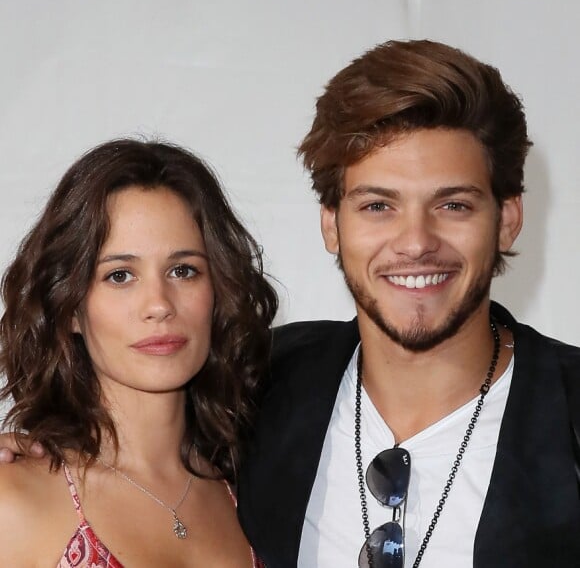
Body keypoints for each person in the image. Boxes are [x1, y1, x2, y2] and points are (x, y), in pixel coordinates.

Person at [237, 40, 580, 567]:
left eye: (453, 205)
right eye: (378, 205)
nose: (416, 241)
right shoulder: (252, 387)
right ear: (332, 224)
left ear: (507, 220)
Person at [0, 139, 276, 566]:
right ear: (70, 306)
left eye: (183, 271)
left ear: (218, 292)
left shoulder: (254, 497)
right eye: (120, 275)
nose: (159, 305)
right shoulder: (14, 497)